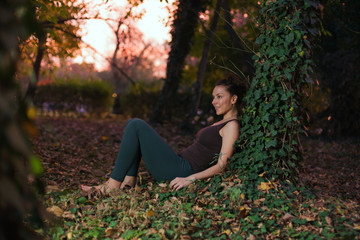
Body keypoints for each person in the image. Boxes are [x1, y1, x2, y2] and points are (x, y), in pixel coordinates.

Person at [82, 75, 246, 193]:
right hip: (179, 163)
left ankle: (112, 185)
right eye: (213, 97)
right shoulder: (221, 122)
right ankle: (128, 181)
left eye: (219, 97)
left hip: (182, 171)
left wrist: (190, 178)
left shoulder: (232, 125)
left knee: (136, 125)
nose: (214, 102)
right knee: (134, 126)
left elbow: (222, 165)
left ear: (233, 99)